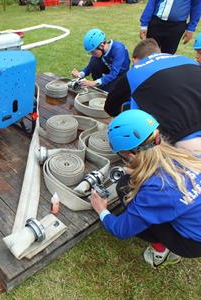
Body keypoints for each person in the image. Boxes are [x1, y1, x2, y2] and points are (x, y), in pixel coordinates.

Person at [91, 109, 201, 269]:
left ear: (130, 155)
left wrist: (102, 210)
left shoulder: (157, 191)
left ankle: (160, 252)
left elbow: (122, 230)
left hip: (193, 243)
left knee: (125, 188)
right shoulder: (190, 156)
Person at [104, 38, 201, 151]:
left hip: (183, 141)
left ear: (136, 59)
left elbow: (110, 108)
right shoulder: (189, 61)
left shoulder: (134, 72)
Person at [71, 28, 130, 93]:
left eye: (93, 52)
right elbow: (90, 67)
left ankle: (101, 86)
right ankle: (99, 86)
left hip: (120, 73)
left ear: (101, 45)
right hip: (109, 68)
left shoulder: (118, 49)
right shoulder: (100, 51)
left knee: (109, 91)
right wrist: (80, 74)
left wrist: (93, 83)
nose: (92, 54)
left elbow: (113, 74)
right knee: (94, 62)